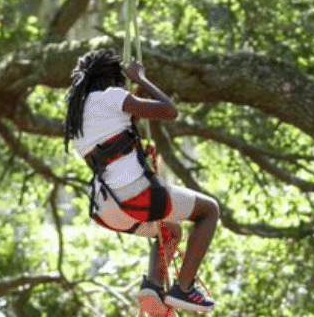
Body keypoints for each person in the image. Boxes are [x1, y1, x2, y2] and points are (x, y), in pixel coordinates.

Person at [66, 48, 220, 314]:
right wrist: (141, 79)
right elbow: (170, 112)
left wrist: (135, 95)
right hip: (135, 196)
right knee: (209, 211)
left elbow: (121, 123)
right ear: (114, 79)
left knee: (170, 231)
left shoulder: (78, 117)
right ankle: (184, 290)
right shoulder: (112, 96)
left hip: (107, 209)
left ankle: (153, 287)